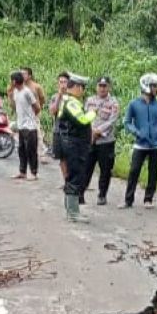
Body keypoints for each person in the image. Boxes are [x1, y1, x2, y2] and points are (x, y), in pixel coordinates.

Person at [55, 73, 97, 222]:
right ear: (77, 87)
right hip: (73, 145)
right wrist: (93, 112)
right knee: (75, 177)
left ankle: (71, 210)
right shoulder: (71, 102)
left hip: (71, 144)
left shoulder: (69, 101)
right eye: (82, 87)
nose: (83, 90)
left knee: (73, 176)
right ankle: (73, 213)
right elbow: (83, 120)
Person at [123, 73, 157, 209]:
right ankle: (128, 200)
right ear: (147, 86)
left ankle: (148, 199)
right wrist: (137, 132)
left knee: (153, 172)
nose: (156, 89)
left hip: (155, 144)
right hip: (140, 144)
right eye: (154, 86)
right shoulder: (134, 104)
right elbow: (127, 122)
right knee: (134, 171)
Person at [81, 76, 120, 205]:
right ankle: (80, 193)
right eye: (100, 86)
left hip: (106, 141)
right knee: (86, 167)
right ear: (96, 87)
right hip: (90, 140)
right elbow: (85, 116)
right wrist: (91, 131)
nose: (102, 88)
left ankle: (102, 195)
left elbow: (112, 120)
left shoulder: (113, 102)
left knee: (105, 170)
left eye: (105, 86)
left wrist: (98, 131)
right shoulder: (90, 100)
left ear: (109, 87)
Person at [9, 71, 41, 180]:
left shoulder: (27, 92)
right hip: (21, 125)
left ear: (14, 81)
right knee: (21, 150)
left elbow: (37, 107)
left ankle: (33, 172)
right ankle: (22, 171)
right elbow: (14, 106)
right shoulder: (16, 92)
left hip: (30, 126)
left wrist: (32, 117)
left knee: (31, 150)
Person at [22, 66, 49, 162]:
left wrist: (38, 108)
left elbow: (42, 99)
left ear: (29, 75)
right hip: (23, 113)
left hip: (34, 113)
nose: (22, 75)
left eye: (24, 73)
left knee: (37, 133)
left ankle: (42, 154)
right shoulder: (21, 86)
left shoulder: (36, 86)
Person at [48, 72, 70, 181]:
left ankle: (73, 180)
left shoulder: (73, 97)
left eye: (65, 82)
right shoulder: (54, 97)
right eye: (61, 82)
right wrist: (59, 97)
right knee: (61, 158)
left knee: (71, 157)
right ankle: (66, 180)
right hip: (58, 130)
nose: (63, 85)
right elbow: (52, 111)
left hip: (70, 132)